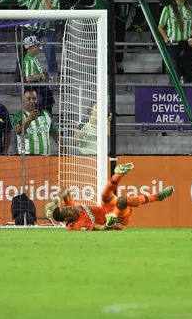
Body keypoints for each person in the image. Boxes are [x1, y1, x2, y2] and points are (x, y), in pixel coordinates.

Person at [45, 163, 175, 231]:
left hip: (106, 209)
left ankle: (119, 174)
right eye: (66, 210)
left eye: (65, 206)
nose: (68, 207)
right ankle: (157, 197)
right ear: (67, 218)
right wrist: (108, 223)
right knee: (123, 200)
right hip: (115, 222)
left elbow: (66, 190)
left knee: (104, 195)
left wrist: (55, 201)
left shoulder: (71, 207)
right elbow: (100, 228)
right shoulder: (78, 225)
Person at [18, 0, 60, 81]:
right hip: (31, 29)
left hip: (47, 31)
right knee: (23, 52)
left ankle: (53, 78)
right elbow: (18, 0)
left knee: (50, 51)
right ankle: (20, 79)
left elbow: (52, 14)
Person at [157, 0, 192, 84]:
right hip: (173, 45)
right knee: (174, 73)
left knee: (188, 73)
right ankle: (174, 97)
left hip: (187, 45)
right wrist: (165, 38)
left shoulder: (191, 9)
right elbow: (160, 26)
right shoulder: (167, 9)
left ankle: (188, 97)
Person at [12, 87, 60, 155]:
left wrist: (60, 144)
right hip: (26, 158)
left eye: (34, 98)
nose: (32, 101)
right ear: (23, 100)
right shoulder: (18, 116)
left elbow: (54, 132)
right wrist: (29, 119)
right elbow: (18, 130)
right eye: (28, 99)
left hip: (45, 157)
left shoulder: (45, 114)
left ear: (37, 100)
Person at [22, 35, 55, 113]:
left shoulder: (33, 58)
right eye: (37, 45)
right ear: (30, 47)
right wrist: (41, 75)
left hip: (38, 87)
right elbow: (29, 78)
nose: (39, 47)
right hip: (34, 88)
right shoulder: (29, 60)